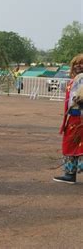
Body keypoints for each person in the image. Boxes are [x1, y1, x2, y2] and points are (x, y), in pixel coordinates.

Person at [53, 54, 83, 184]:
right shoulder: (75, 80)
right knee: (69, 145)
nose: (78, 66)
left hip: (80, 117)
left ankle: (70, 175)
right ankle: (69, 174)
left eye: (81, 63)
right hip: (73, 118)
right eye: (75, 64)